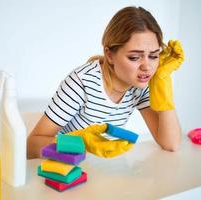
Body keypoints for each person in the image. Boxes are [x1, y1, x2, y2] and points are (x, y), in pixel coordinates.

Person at [27, 6, 184, 159]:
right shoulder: (82, 82)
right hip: (65, 169)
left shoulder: (139, 85)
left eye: (153, 56)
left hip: (100, 169)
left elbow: (171, 143)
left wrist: (163, 81)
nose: (147, 67)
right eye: (135, 57)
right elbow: (31, 145)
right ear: (109, 54)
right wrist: (80, 143)